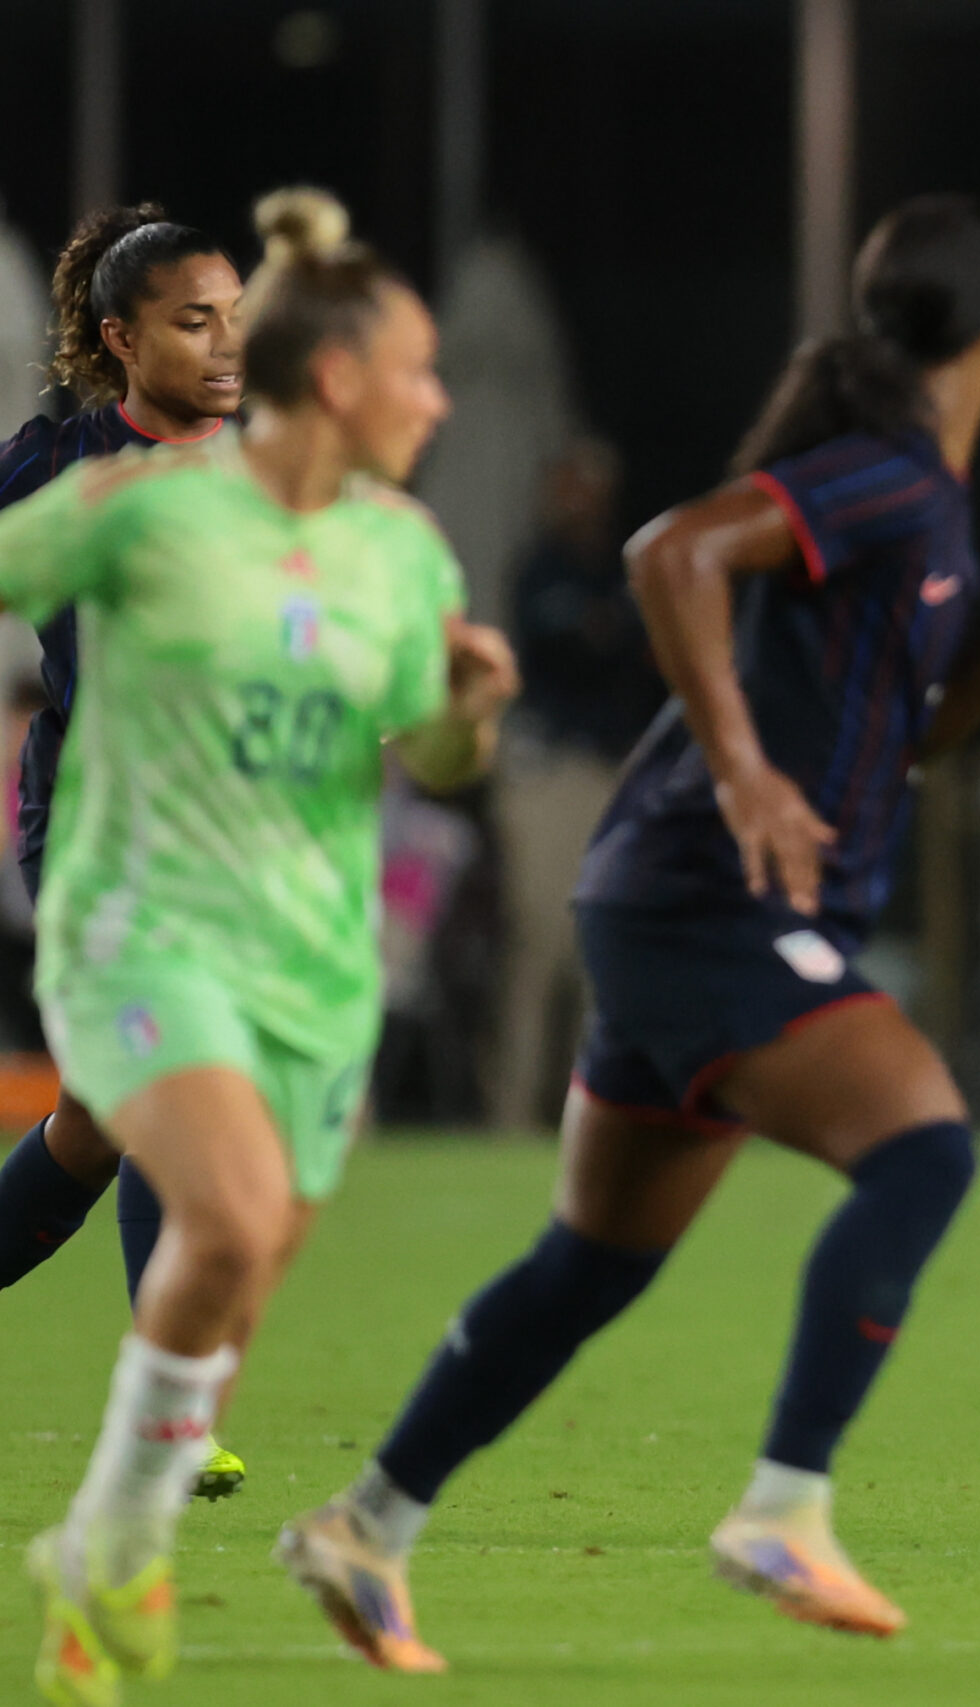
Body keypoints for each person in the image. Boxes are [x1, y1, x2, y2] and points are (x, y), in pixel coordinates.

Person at [279, 196, 980, 1662]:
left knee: (594, 1260)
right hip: (710, 891)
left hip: (665, 896)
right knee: (926, 1151)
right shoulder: (887, 478)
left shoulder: (928, 506)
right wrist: (746, 764)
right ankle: (784, 1504)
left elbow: (916, 743)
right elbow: (671, 551)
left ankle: (364, 1523)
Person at [3, 186, 516, 1707]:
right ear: (342, 376)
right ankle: (121, 1551)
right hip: (133, 915)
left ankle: (104, 1536)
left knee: (216, 1227)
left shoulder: (404, 554)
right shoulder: (134, 501)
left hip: (302, 951)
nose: (440, 397)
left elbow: (434, 759)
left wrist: (467, 713)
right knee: (213, 1205)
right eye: (420, 369)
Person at [0, 204, 259, 1501]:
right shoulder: (57, 459)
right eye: (191, 322)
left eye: (234, 319)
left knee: (97, 1127)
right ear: (120, 335)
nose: (224, 346)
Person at [488, 438, 661, 1129]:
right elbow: (570, 644)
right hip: (550, 769)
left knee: (604, 948)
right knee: (538, 948)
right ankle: (512, 1109)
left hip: (612, 770)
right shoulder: (541, 568)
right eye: (565, 485)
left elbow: (639, 654)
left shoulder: (627, 565)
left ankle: (592, 1112)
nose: (576, 499)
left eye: (586, 484)